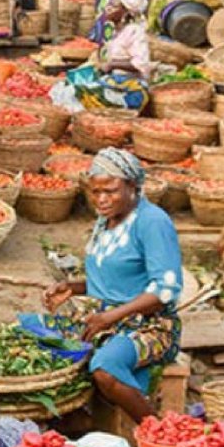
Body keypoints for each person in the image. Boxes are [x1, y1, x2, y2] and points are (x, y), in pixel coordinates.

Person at [43, 149, 182, 423]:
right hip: (105, 319)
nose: (101, 199)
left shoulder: (152, 222)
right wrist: (74, 287)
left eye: (111, 191)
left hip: (149, 325)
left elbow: (165, 291)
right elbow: (115, 277)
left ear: (133, 186)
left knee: (105, 369)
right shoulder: (107, 219)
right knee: (36, 339)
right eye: (95, 192)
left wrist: (111, 317)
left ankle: (156, 430)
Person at [79, 0, 151, 111]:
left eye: (113, 5)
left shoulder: (134, 31)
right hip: (115, 81)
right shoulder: (114, 31)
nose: (108, 7)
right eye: (108, 3)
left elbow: (141, 64)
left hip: (131, 87)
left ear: (126, 12)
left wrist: (112, 64)